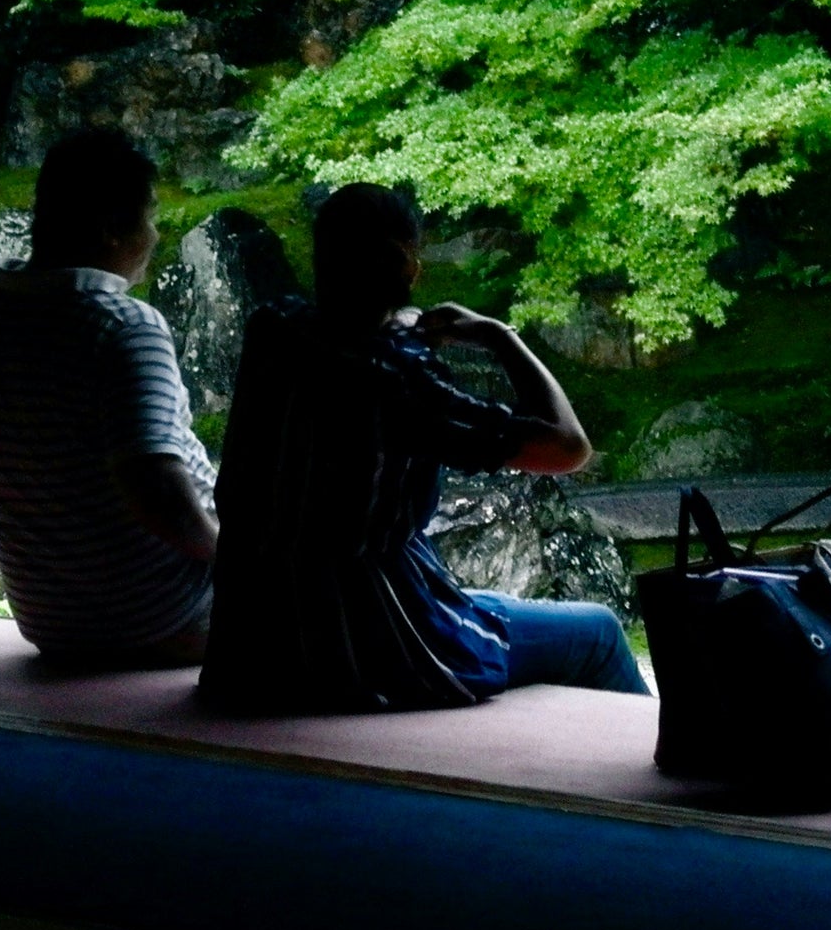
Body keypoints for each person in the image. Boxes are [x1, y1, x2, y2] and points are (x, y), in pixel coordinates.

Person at [199, 184, 646, 711]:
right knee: (597, 630)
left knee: (502, 606)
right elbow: (568, 448)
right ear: (403, 266)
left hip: (250, 639)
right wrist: (501, 336)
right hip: (360, 637)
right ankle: (674, 776)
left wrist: (400, 328)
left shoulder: (272, 330)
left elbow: (344, 339)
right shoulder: (399, 379)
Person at [0, 127, 221, 665]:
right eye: (149, 217)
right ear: (110, 228)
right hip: (161, 613)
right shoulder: (122, 325)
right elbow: (155, 487)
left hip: (52, 616)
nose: (154, 234)